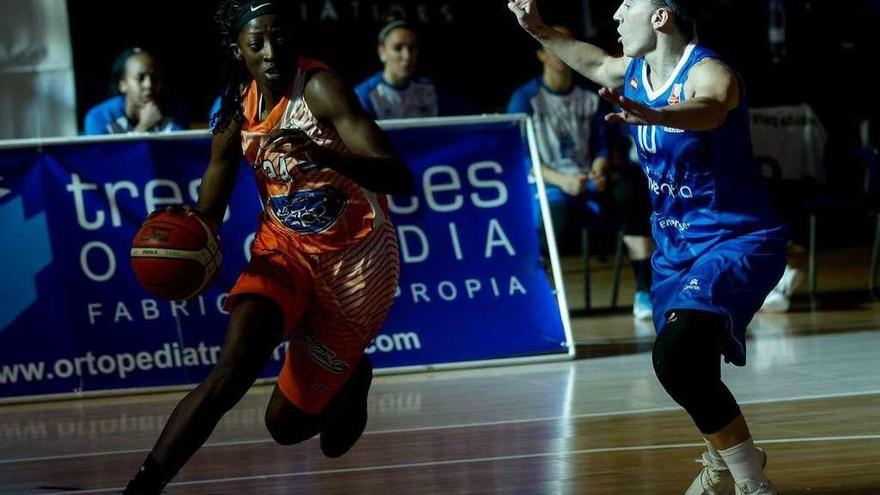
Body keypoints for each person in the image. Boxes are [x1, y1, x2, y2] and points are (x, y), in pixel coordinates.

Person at [123, 1, 412, 493]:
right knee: (230, 373)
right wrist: (194, 226)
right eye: (256, 43)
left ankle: (352, 377)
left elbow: (398, 176)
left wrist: (324, 154)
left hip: (357, 267)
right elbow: (213, 195)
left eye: (279, 38)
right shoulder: (235, 103)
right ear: (239, 51)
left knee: (287, 428)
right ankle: (143, 486)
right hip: (284, 252)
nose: (271, 52)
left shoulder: (321, 88)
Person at [509, 1, 787, 494]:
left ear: (661, 17)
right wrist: (538, 28)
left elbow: (712, 107)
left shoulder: (710, 71)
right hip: (674, 250)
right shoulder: (633, 71)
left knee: (677, 358)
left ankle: (752, 484)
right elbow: (591, 61)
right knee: (689, 370)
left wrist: (657, 113)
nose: (616, 14)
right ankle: (723, 458)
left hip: (737, 238)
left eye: (628, 5)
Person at [507, 25, 655, 319]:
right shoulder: (525, 98)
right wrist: (561, 180)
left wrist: (600, 167)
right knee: (555, 221)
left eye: (567, 42)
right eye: (553, 44)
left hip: (589, 179)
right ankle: (543, 301)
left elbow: (604, 142)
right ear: (541, 54)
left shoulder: (590, 95)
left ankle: (643, 291)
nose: (562, 51)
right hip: (548, 182)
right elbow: (516, 155)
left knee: (630, 191)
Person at [354, 19, 472, 119]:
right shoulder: (365, 96)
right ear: (382, 52)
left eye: (412, 48)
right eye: (398, 48)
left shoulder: (429, 90)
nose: (407, 56)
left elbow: (470, 116)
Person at [83, 48, 187, 135]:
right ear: (123, 85)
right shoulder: (99, 117)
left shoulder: (175, 112)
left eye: (154, 78)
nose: (149, 84)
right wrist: (143, 127)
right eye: (140, 78)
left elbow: (179, 156)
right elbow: (103, 159)